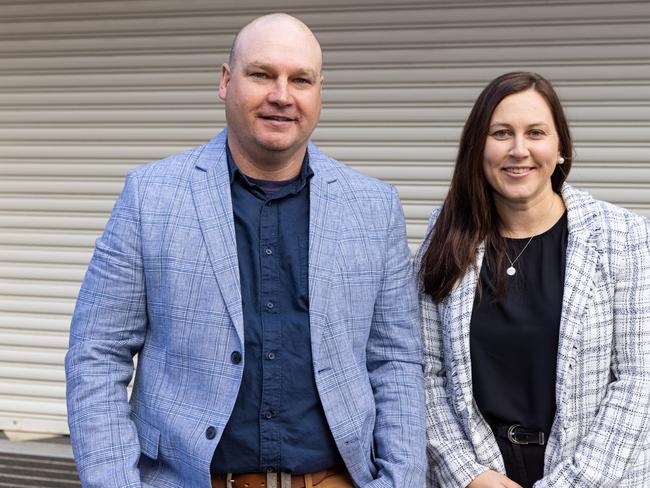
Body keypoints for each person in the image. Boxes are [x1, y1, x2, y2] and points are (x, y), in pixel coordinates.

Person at [65, 13, 425, 488]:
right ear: (225, 81)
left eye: (300, 79)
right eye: (261, 74)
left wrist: (400, 480)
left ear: (319, 92)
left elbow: (396, 361)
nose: (282, 95)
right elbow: (97, 351)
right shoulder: (150, 196)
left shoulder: (374, 207)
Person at [417, 71, 650, 488]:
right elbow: (425, 373)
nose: (519, 150)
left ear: (560, 147)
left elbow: (639, 379)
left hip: (597, 478)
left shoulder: (623, 236)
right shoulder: (446, 235)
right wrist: (468, 475)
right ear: (478, 148)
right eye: (502, 133)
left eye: (536, 132)